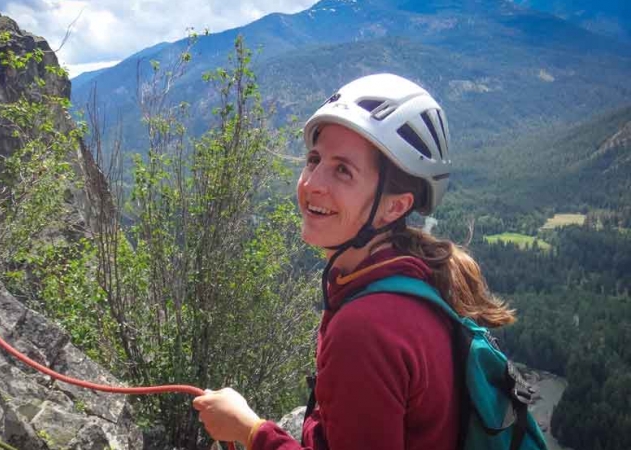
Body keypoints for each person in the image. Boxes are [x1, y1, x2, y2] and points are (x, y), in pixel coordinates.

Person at [192, 73, 516, 450]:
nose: (312, 183)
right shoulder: (417, 276)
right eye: (314, 160)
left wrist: (249, 430)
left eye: (343, 170)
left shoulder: (365, 330)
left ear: (395, 206)